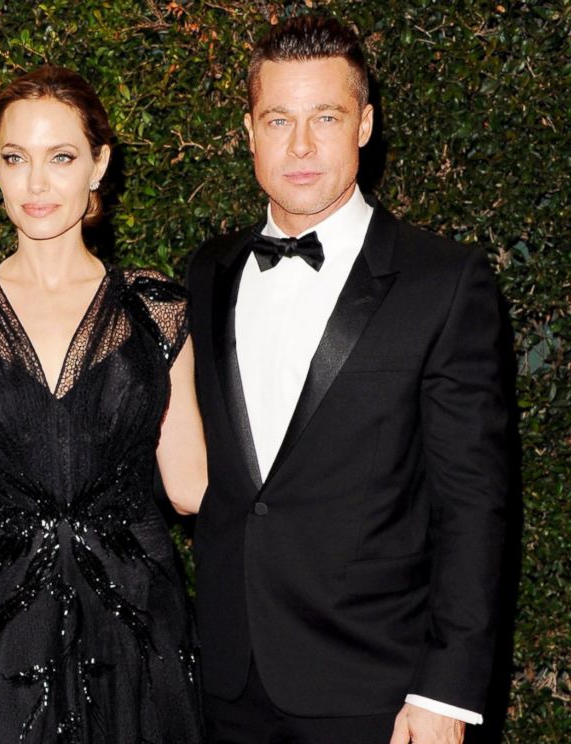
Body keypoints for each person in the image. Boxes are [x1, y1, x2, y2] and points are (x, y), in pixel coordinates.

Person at [187, 15, 508, 744]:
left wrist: (447, 692)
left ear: (364, 124)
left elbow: (473, 504)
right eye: (278, 119)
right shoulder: (208, 273)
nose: (300, 146)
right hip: (227, 685)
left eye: (325, 117)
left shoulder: (443, 282)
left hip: (381, 693)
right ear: (249, 131)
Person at [0, 65, 207, 743]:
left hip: (137, 624)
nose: (36, 184)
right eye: (15, 159)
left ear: (99, 165)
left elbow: (192, 485)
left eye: (61, 158)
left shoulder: (155, 309)